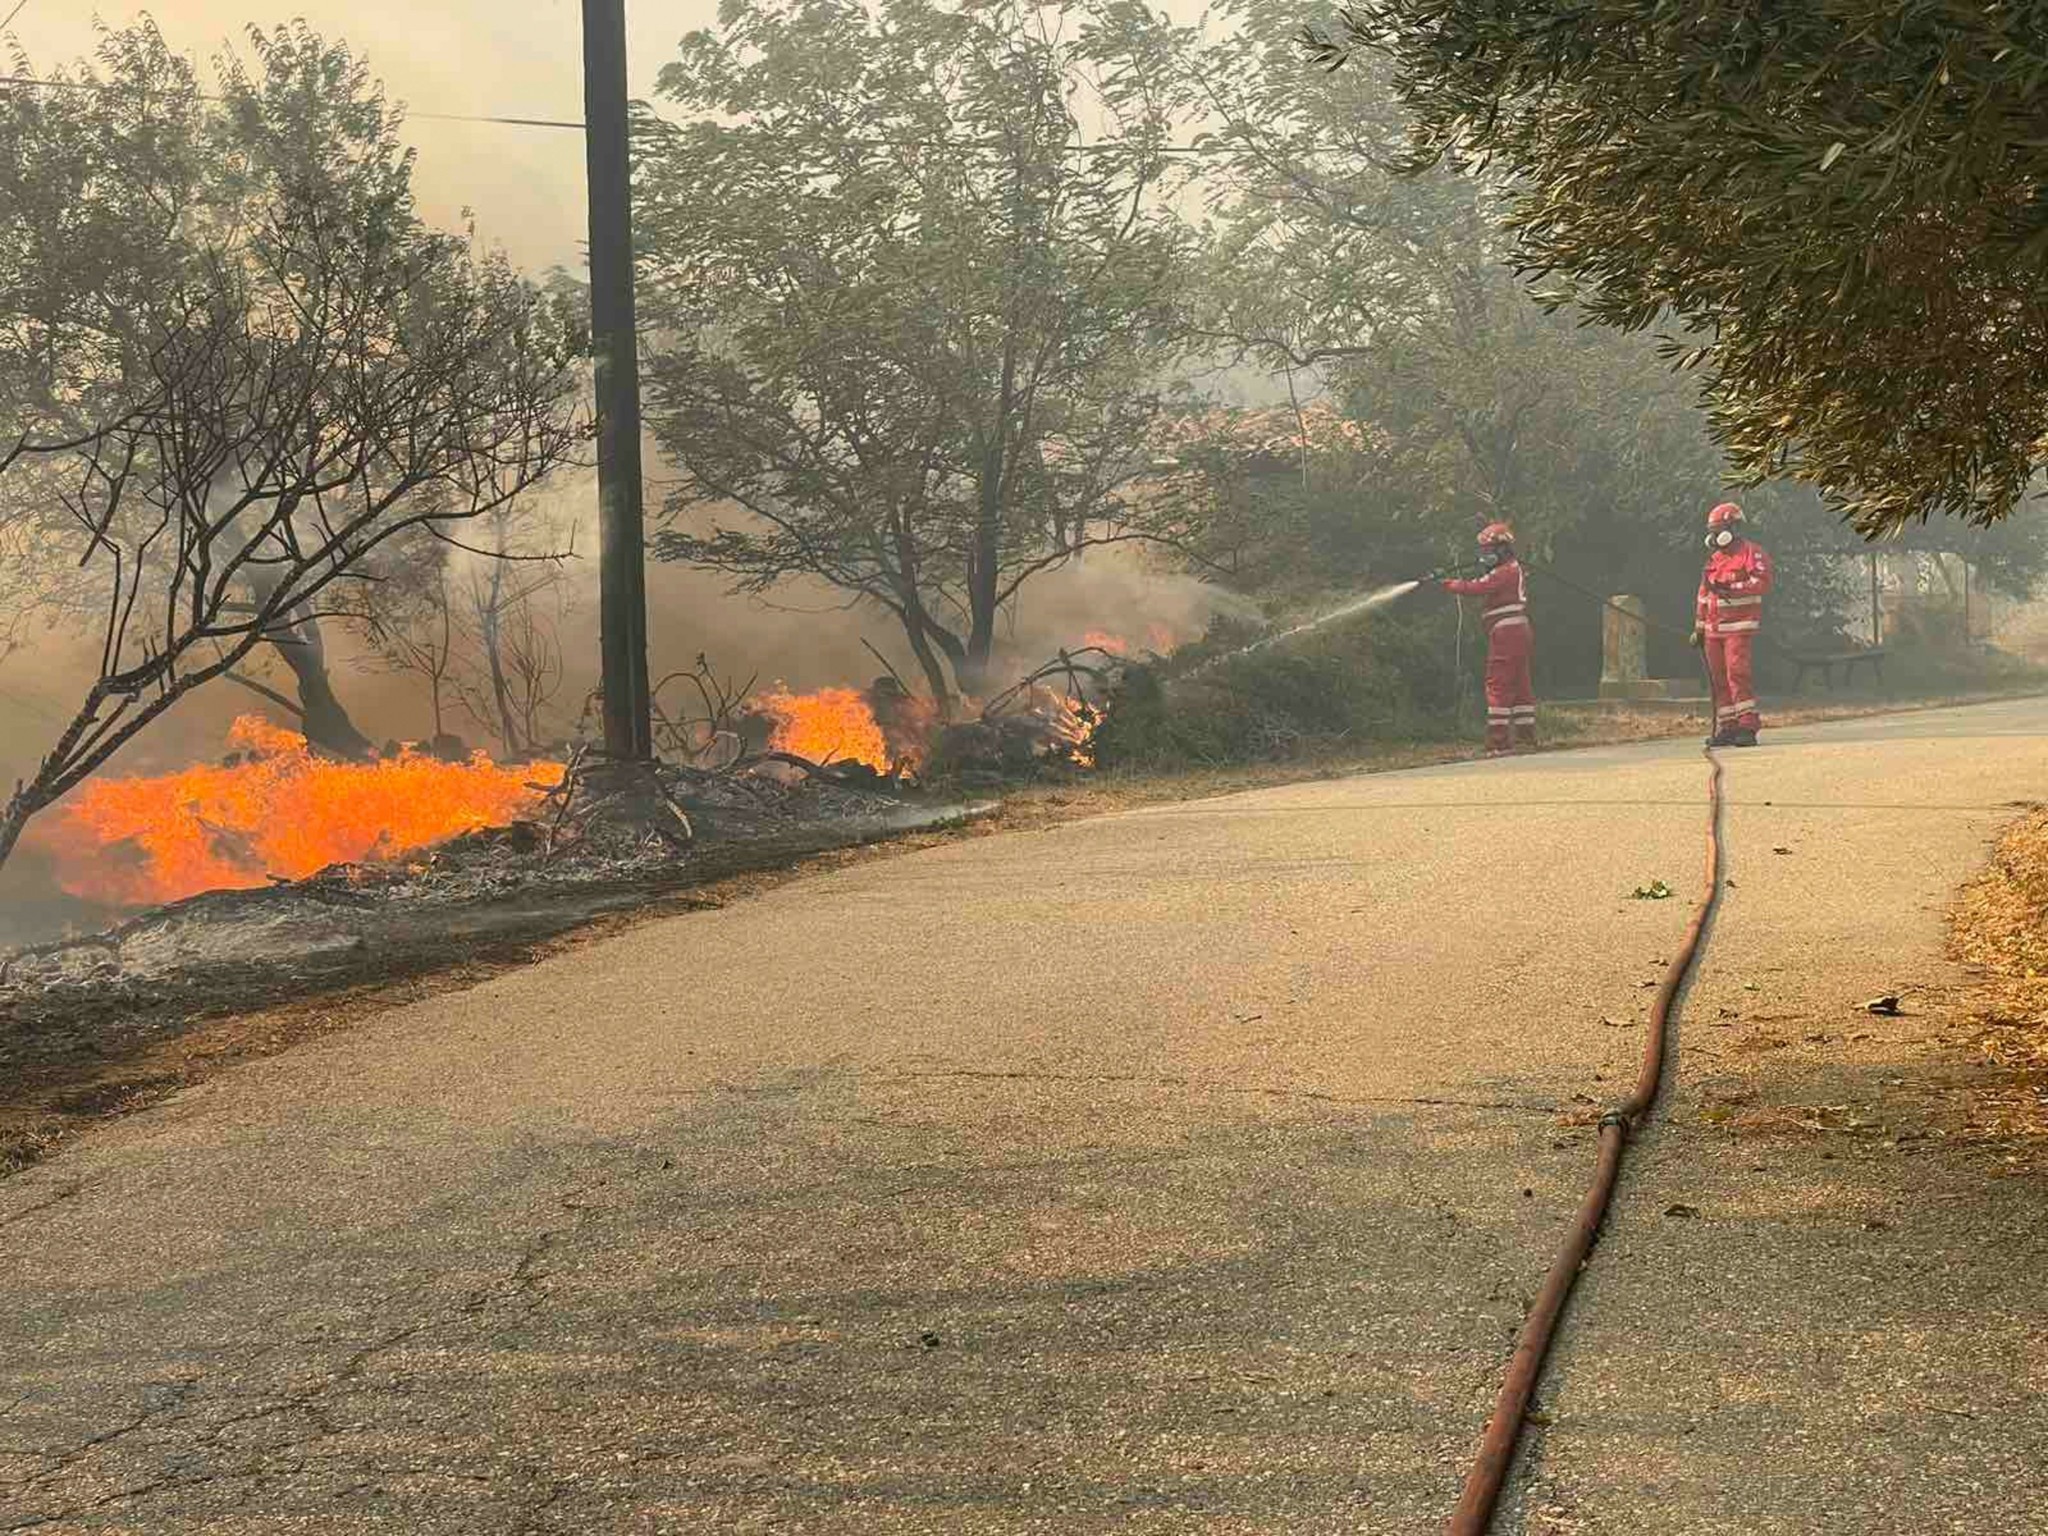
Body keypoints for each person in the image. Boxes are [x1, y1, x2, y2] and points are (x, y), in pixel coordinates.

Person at [1443, 522, 1535, 755]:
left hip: (1506, 632)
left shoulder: (1504, 572)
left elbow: (1477, 587)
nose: (1484, 555)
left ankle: (1498, 742)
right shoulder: (1513, 568)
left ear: (1502, 549)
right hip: (1518, 630)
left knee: (1498, 684)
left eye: (1488, 550)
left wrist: (1450, 584)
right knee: (1520, 683)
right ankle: (1526, 737)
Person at [1690, 500, 1774, 747]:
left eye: (1719, 530)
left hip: (1738, 627)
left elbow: (1762, 583)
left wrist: (1732, 587)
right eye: (1712, 532)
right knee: (1718, 679)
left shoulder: (1751, 553)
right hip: (1713, 631)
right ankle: (1728, 727)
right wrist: (1699, 627)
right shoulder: (1714, 559)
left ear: (1733, 529)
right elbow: (1703, 595)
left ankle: (1747, 726)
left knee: (1737, 674)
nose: (1715, 537)